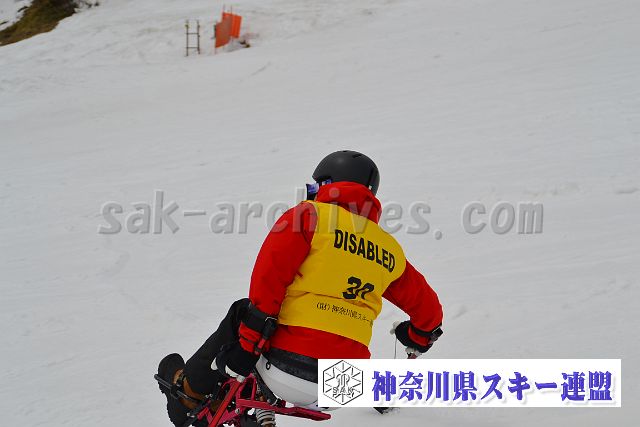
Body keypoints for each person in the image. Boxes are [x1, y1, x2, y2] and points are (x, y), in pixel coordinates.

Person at [157, 150, 443, 426]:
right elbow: (430, 315)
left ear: (328, 184)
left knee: (244, 313)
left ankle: (189, 393)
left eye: (314, 186)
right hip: (344, 387)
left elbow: (268, 282)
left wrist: (245, 351)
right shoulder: (389, 249)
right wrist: (415, 336)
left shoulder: (308, 216)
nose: (311, 192)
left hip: (287, 370)